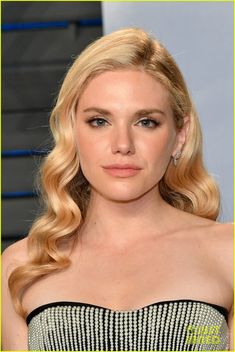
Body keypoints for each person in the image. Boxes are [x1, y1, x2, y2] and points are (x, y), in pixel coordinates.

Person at [2, 27, 233, 351]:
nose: (122, 144)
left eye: (146, 121)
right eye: (99, 121)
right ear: (71, 130)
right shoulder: (23, 265)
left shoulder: (227, 252)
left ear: (180, 135)